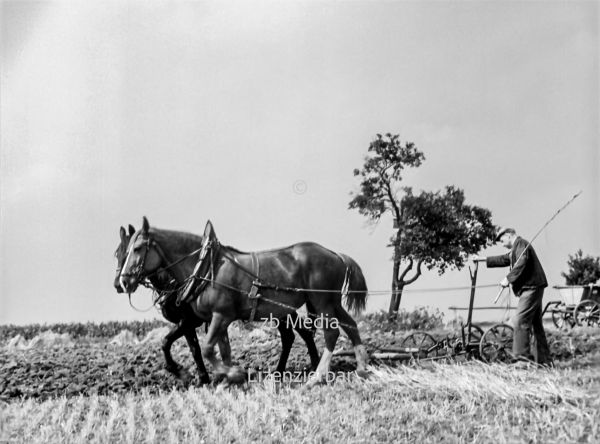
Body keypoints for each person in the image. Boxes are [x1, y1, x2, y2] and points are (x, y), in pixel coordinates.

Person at [473, 227, 552, 366]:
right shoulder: (517, 247)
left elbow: (522, 262)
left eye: (501, 239)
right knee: (536, 325)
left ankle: (522, 359)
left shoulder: (521, 244)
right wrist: (482, 259)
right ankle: (545, 361)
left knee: (520, 321)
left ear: (509, 235)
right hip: (533, 287)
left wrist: (508, 279)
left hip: (531, 287)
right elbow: (505, 259)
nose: (501, 243)